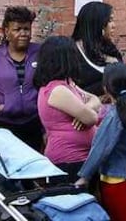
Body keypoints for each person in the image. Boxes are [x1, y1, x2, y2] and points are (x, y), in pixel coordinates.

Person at [76, 62, 126, 221]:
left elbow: (100, 148)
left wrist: (84, 175)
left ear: (106, 87)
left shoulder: (114, 115)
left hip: (115, 180)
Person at [33, 36, 101, 183]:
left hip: (81, 159)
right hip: (68, 161)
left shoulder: (69, 84)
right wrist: (85, 112)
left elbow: (95, 99)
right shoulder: (57, 90)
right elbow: (92, 118)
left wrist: (84, 109)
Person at [0, 6, 43, 151]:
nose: (23, 34)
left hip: (34, 123)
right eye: (17, 29)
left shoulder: (40, 53)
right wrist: (0, 106)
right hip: (2, 124)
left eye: (26, 29)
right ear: (7, 31)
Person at [71, 1, 122, 96]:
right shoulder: (73, 53)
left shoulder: (110, 49)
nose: (114, 26)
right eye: (110, 20)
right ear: (98, 23)